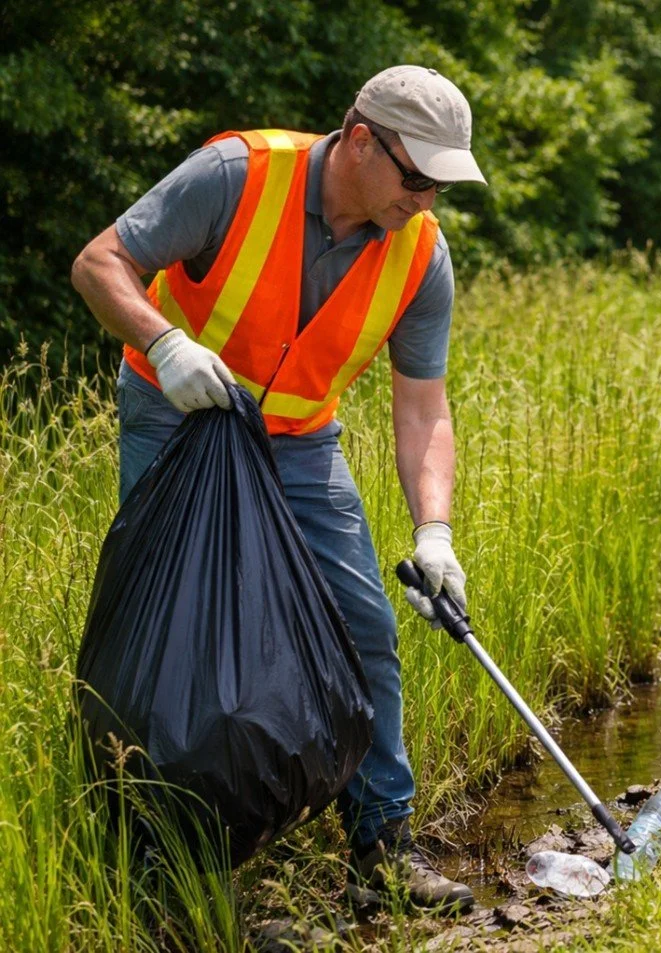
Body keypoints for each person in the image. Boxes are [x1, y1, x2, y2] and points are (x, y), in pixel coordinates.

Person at [71, 65, 485, 912]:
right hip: (177, 417)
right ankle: (166, 864)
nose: (427, 200)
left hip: (299, 443)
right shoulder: (237, 174)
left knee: (363, 624)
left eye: (443, 184)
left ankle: (384, 842)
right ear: (360, 140)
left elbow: (424, 411)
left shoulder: (422, 257)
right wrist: (168, 343)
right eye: (417, 177)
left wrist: (434, 532)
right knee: (177, 631)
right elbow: (98, 262)